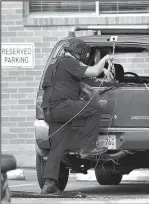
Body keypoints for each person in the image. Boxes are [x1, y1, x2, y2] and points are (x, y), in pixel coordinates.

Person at [40, 38, 112, 194]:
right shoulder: (69, 62)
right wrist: (105, 60)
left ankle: (49, 184)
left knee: (56, 148)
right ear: (79, 52)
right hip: (61, 106)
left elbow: (85, 78)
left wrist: (104, 72)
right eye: (84, 54)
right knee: (94, 108)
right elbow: (93, 71)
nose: (84, 57)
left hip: (50, 111)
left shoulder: (57, 64)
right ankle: (87, 148)